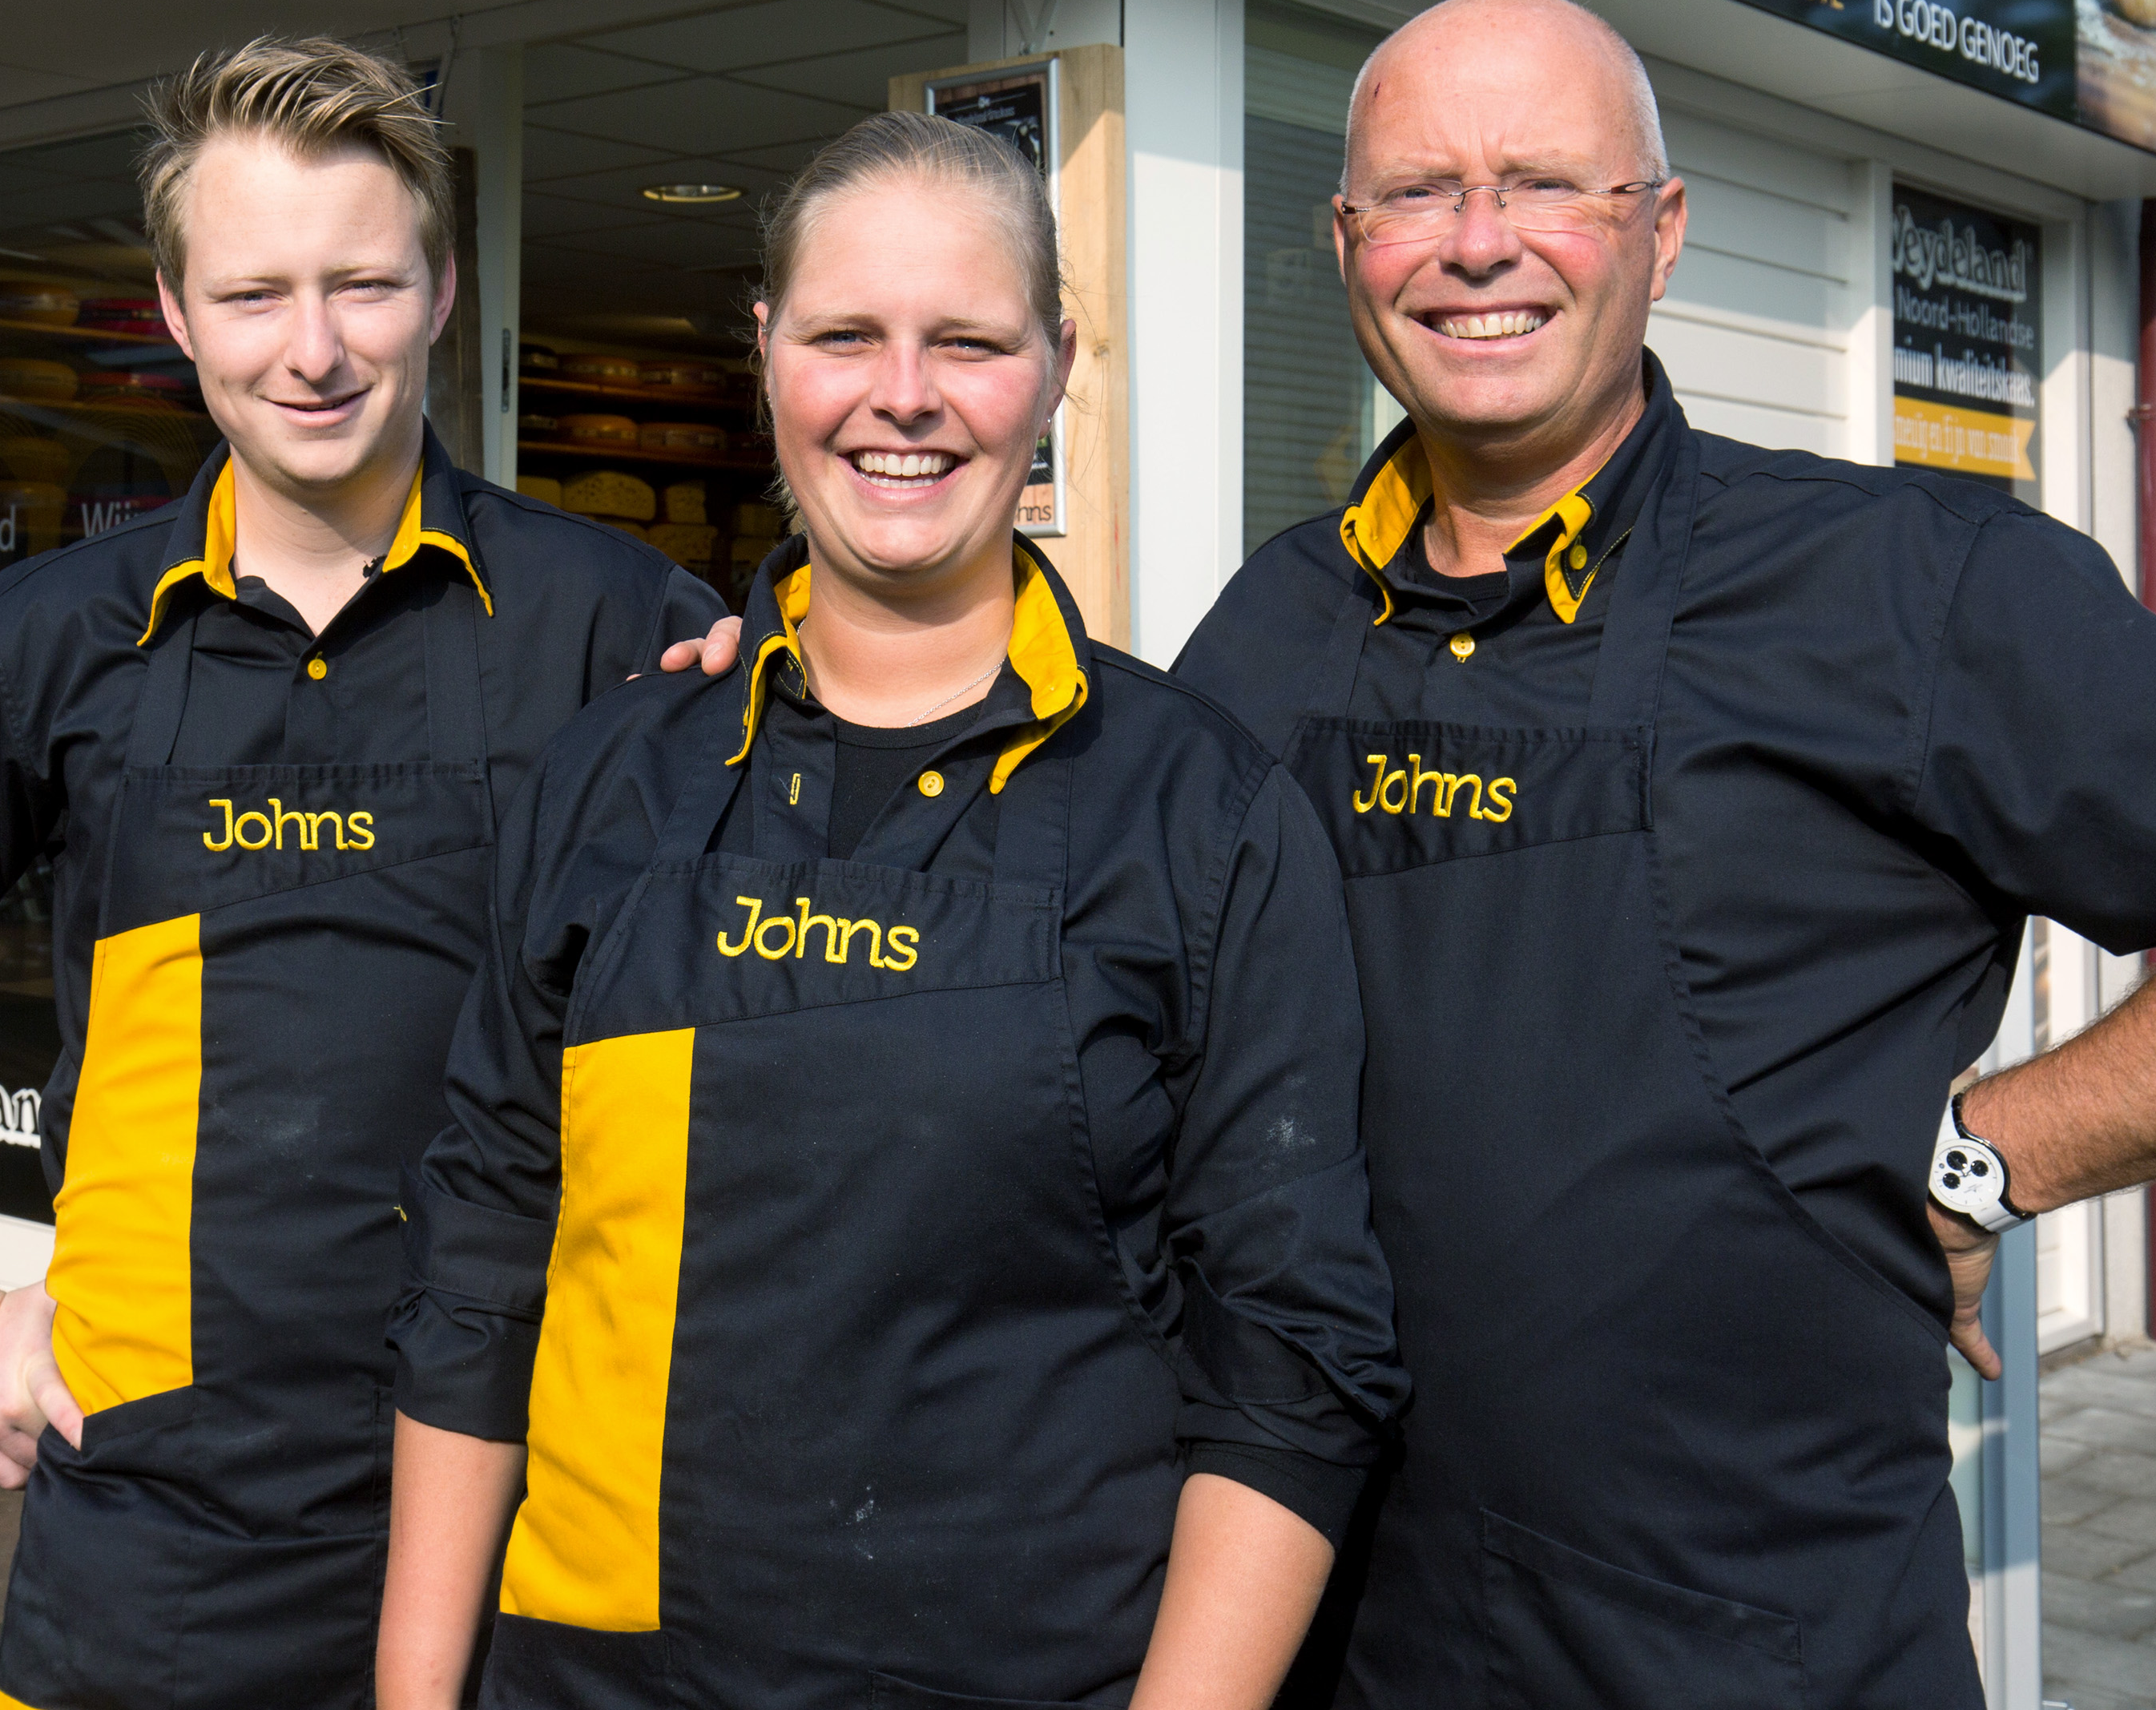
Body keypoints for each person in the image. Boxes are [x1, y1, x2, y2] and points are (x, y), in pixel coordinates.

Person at [1173, 0, 2156, 1708]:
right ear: (1344, 240)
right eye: (1415, 193)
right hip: (1331, 1626)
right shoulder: (1266, 624)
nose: (1475, 244)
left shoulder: (1907, 584)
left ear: (1658, 233)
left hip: (1742, 1633)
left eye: (1543, 183)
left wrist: (1989, 1149)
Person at [378, 112, 1407, 1710]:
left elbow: (1295, 1354)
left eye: (969, 340)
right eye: (844, 333)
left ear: (1057, 365)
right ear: (766, 349)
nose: (902, 395)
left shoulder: (1194, 812)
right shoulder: (609, 778)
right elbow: (483, 1261)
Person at [0, 37, 743, 1710]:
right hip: (155, 1533)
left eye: (363, 284)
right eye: (255, 294)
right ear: (174, 311)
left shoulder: (617, 621)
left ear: (441, 291)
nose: (312, 350)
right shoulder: (51, 636)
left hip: (534, 1497)